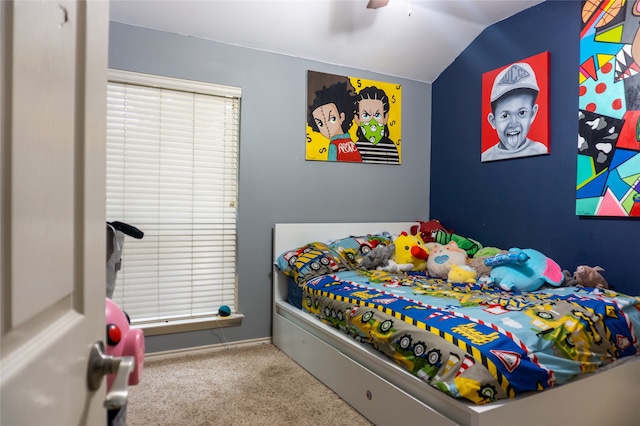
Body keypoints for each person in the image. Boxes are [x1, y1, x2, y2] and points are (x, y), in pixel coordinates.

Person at [482, 62, 548, 162]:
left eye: (522, 113)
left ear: (533, 114)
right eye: (505, 115)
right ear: (493, 120)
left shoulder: (541, 150)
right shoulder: (486, 156)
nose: (513, 123)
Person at [307, 81, 362, 162]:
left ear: (341, 117)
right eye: (320, 123)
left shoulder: (335, 146)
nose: (327, 127)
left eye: (332, 119)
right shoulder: (350, 142)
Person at [354, 86, 399, 164]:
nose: (372, 121)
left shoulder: (390, 147)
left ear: (385, 118)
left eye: (377, 115)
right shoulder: (357, 147)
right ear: (357, 119)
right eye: (366, 115)